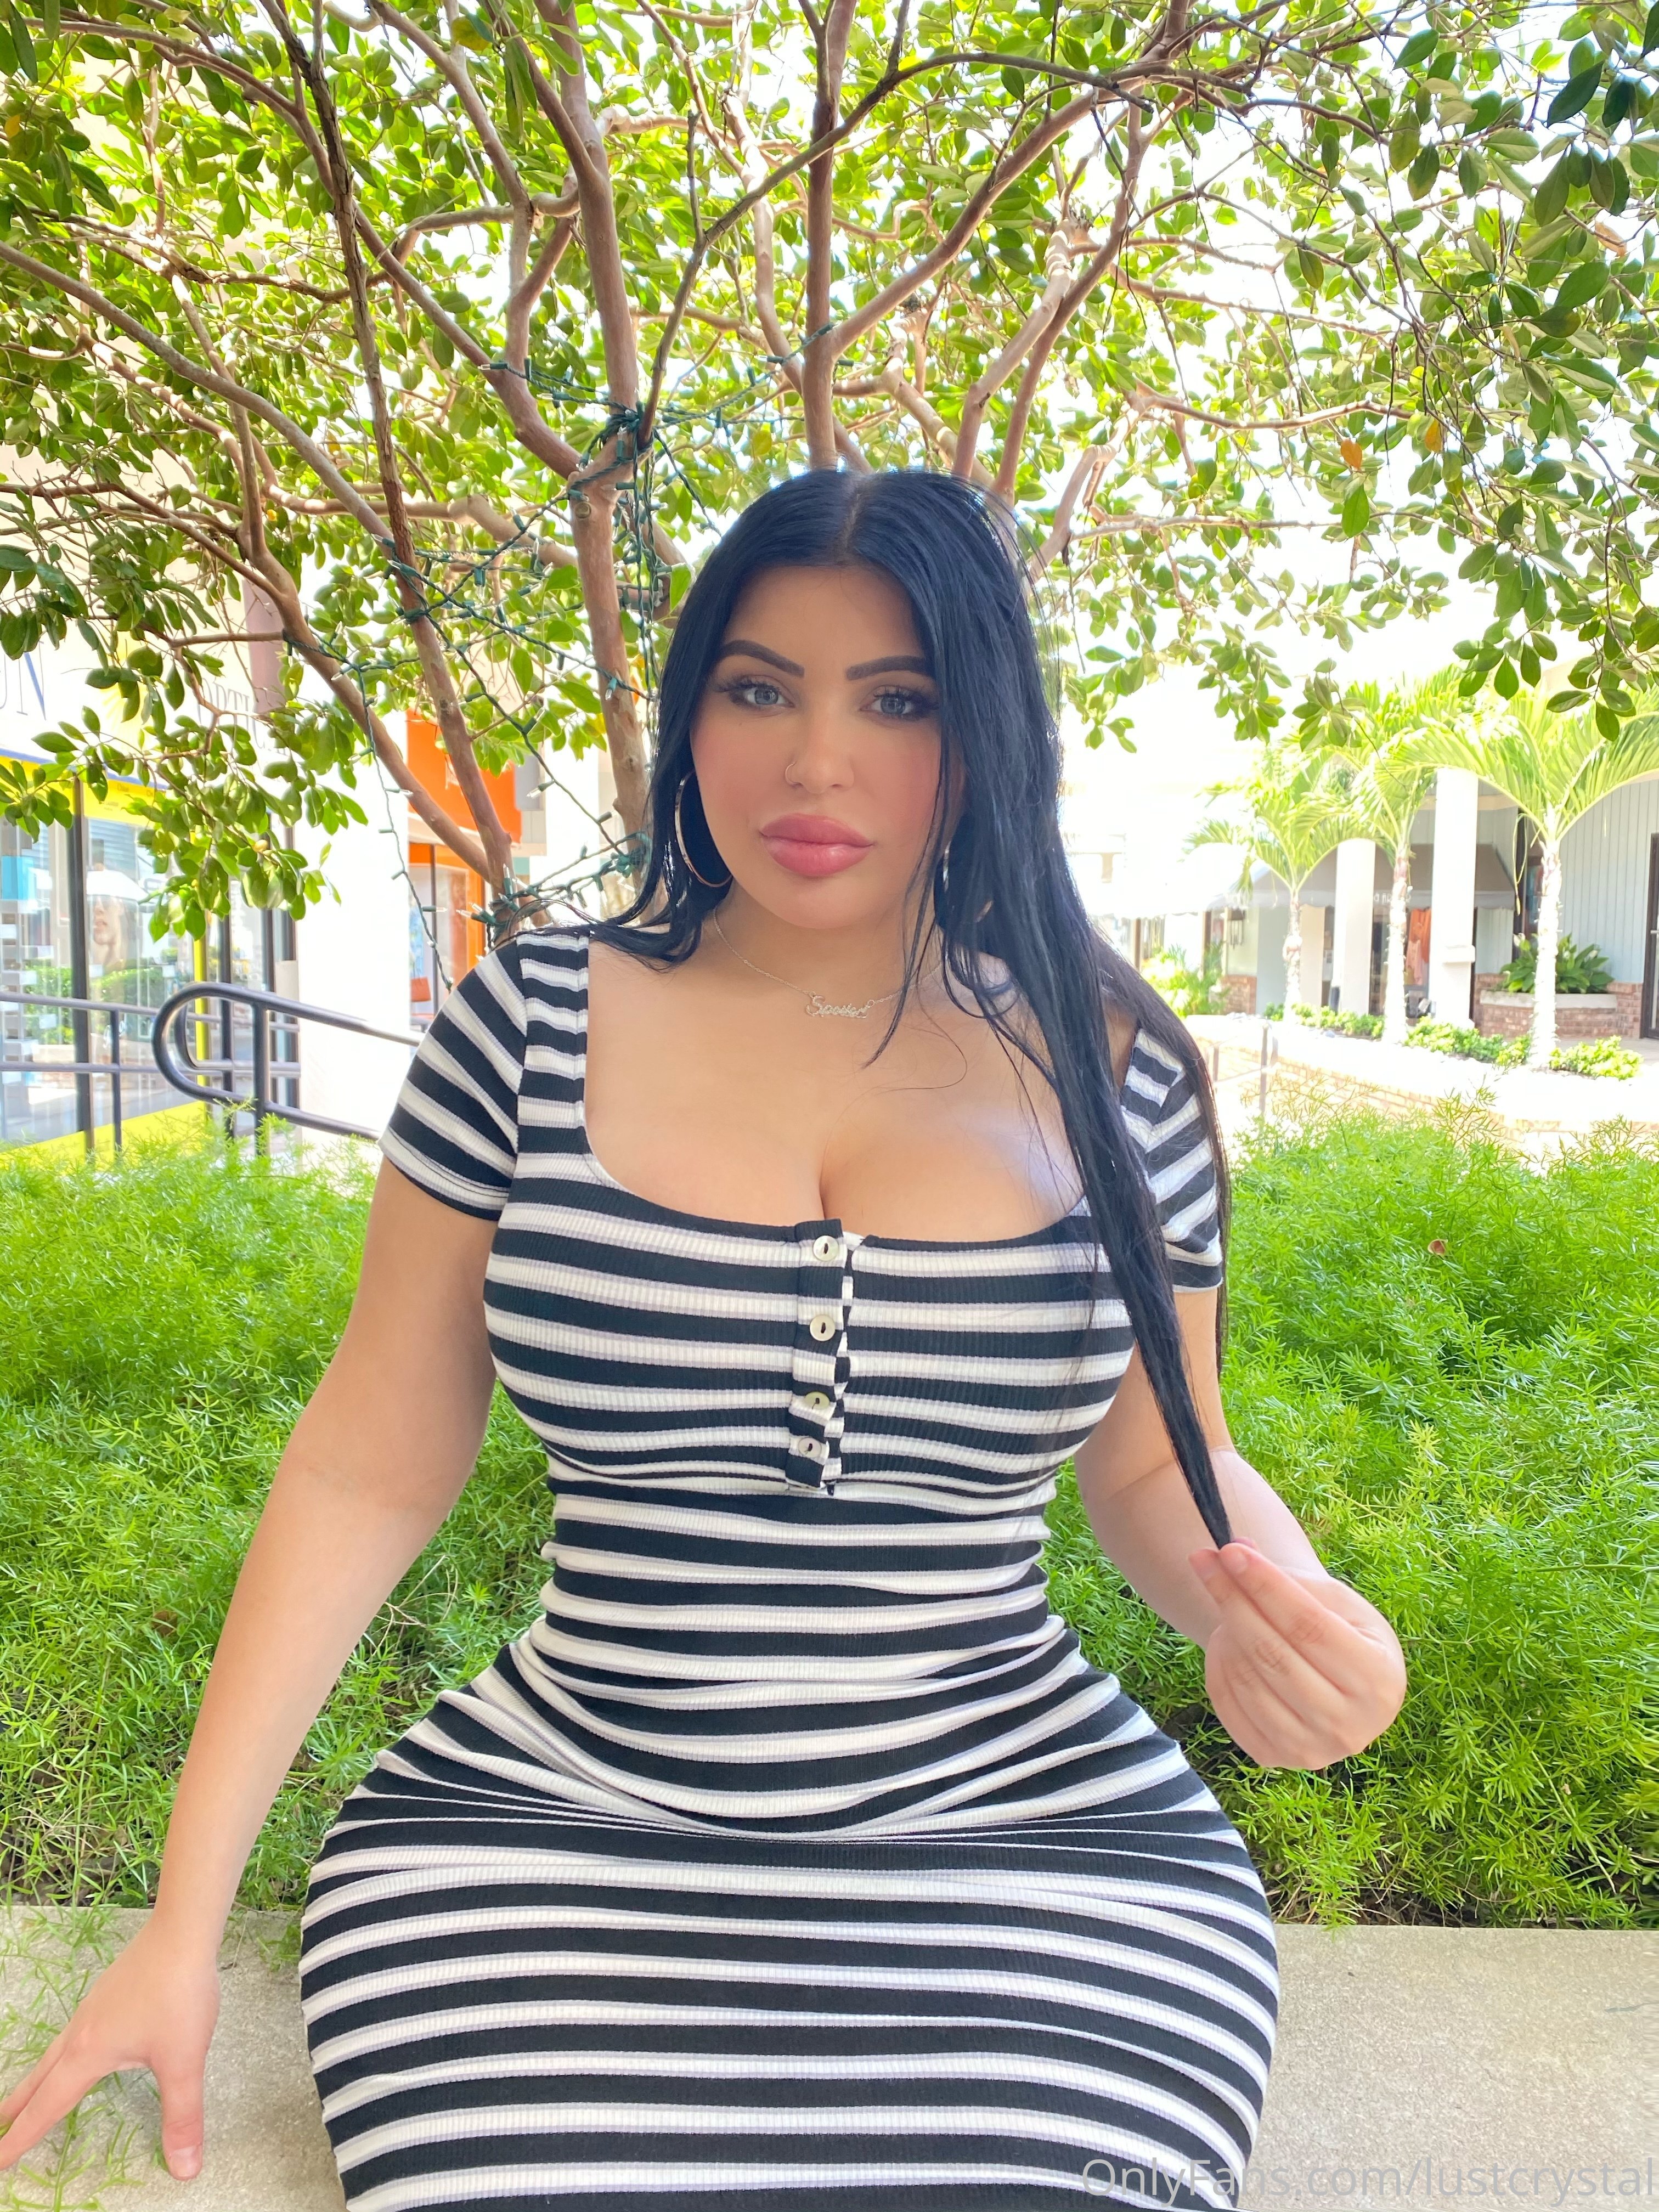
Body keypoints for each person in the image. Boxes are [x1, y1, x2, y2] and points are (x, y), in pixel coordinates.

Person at [0, 470, 1406, 2210]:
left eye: (897, 701)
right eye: (759, 688)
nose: (816, 762)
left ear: (986, 733)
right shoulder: (523, 1031)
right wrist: (180, 1921)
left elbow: (1159, 1467)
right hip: (547, 1834)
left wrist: (1297, 1616)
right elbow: (366, 1467)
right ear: (692, 716)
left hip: (1030, 1835)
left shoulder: (1119, 1072)